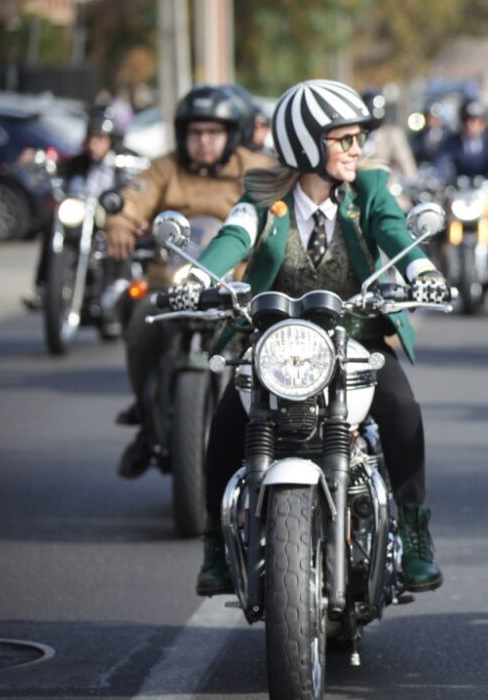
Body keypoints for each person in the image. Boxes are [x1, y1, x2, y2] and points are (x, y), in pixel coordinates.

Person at [181, 79, 449, 596]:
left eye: (357, 139)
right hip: (276, 342)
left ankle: (415, 534)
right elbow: (235, 233)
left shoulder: (368, 188)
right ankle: (215, 544)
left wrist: (421, 269)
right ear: (307, 143)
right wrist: (196, 277)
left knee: (402, 410)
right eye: (343, 139)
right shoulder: (263, 192)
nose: (357, 149)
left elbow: (393, 230)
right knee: (227, 426)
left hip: (357, 337)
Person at [107, 84, 274, 478]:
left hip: (236, 288)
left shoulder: (257, 169)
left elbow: (281, 208)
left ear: (231, 134)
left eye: (212, 133)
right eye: (195, 132)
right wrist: (120, 220)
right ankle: (148, 418)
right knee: (140, 318)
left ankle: (270, 431)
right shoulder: (165, 167)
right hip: (173, 282)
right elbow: (136, 197)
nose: (202, 141)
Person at [24, 101, 136, 311]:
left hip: (105, 215)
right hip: (78, 212)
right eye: (92, 138)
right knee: (51, 226)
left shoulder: (122, 161)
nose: (94, 144)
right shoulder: (78, 161)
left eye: (100, 139)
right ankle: (43, 286)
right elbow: (57, 162)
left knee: (120, 232)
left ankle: (117, 283)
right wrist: (37, 158)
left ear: (111, 140)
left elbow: (143, 177)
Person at [434, 98, 488, 272]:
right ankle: (439, 258)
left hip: (484, 191)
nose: (473, 124)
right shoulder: (452, 140)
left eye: (478, 120)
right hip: (459, 192)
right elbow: (442, 161)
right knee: (440, 216)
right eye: (469, 120)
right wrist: (438, 178)